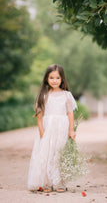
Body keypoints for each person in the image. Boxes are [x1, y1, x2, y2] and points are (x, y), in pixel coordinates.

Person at [27, 64, 77, 193]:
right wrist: (42, 131)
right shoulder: (43, 95)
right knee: (46, 154)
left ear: (62, 79)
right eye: (51, 78)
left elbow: (70, 113)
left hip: (62, 128)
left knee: (58, 154)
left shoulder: (66, 95)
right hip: (47, 129)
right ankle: (46, 183)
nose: (54, 80)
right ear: (46, 79)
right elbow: (39, 116)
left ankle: (59, 182)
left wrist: (71, 130)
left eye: (57, 78)